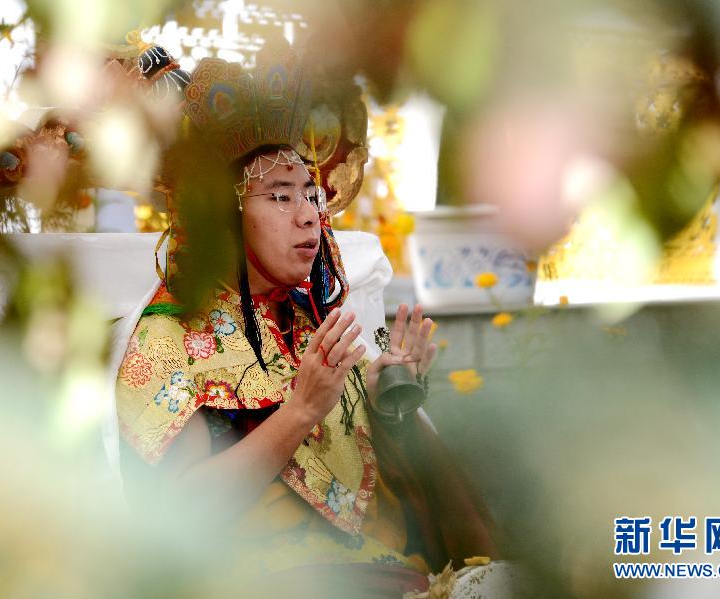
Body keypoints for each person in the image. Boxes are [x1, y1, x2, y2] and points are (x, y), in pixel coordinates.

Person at [114, 43, 497, 597]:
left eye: (312, 195)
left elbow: (400, 489)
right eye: (280, 195)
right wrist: (300, 411)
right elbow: (181, 517)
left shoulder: (312, 321)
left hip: (388, 573)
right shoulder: (169, 334)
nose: (308, 216)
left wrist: (396, 397)